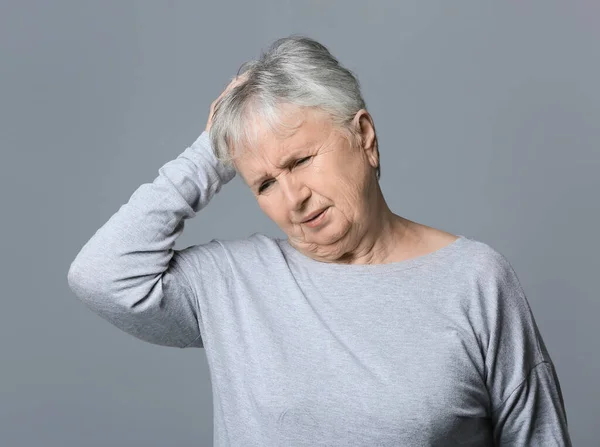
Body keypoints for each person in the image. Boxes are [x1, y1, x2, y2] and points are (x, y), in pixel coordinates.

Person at [67, 35, 572, 446]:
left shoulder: (475, 280)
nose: (293, 198)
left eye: (300, 160)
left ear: (365, 136)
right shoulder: (232, 283)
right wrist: (213, 152)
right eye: (264, 183)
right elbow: (101, 275)